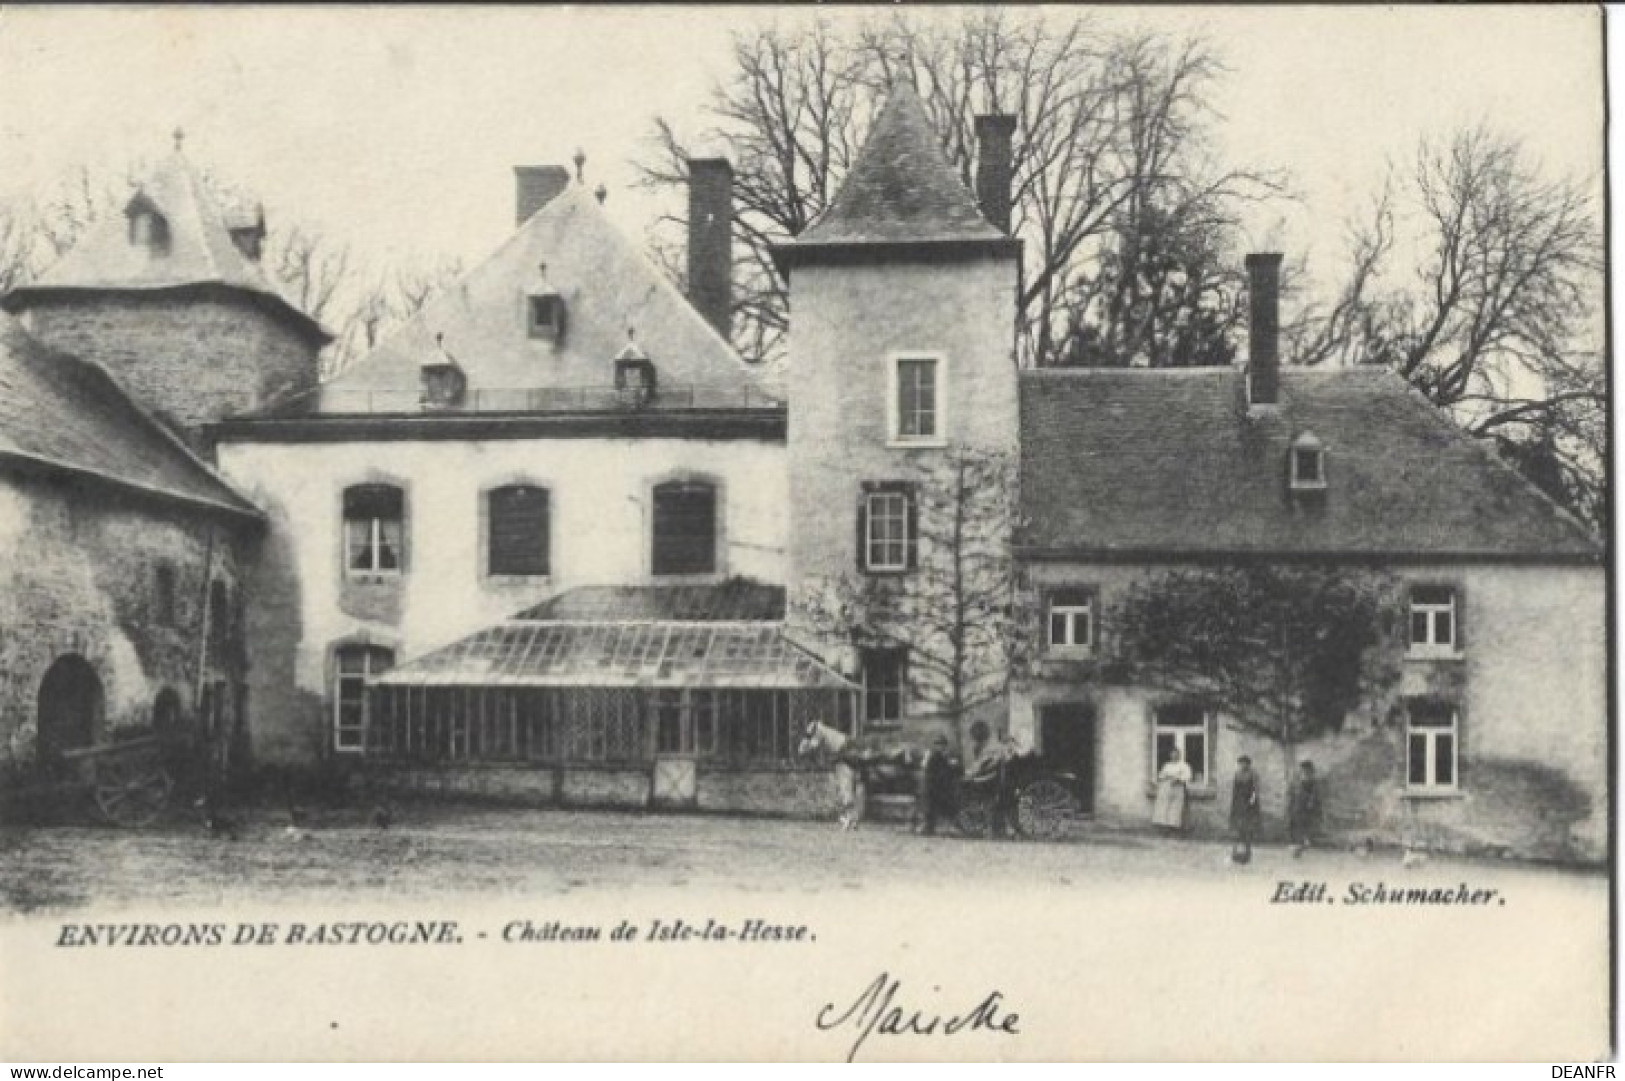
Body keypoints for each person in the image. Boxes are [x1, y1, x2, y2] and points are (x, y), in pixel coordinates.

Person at [918, 736, 958, 836]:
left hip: (935, 784)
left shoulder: (938, 755)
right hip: (932, 785)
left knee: (932, 807)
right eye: (940, 745)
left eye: (943, 745)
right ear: (937, 746)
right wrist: (950, 766)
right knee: (931, 807)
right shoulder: (935, 756)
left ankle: (930, 827)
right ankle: (928, 827)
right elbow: (935, 770)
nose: (942, 747)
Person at [1229, 755, 1262, 863]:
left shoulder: (1253, 774)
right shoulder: (1237, 774)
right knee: (1237, 828)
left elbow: (1255, 790)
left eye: (1245, 763)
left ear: (1248, 764)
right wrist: (1234, 804)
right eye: (1241, 763)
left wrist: (1252, 802)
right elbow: (1235, 790)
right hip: (1239, 803)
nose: (1243, 765)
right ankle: (1235, 852)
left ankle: (1247, 851)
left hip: (1249, 804)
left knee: (1248, 828)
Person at [1152, 746, 1192, 833]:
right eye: (1172, 754)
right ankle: (1164, 827)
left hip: (1178, 787)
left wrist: (1178, 779)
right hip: (1166, 787)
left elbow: (1187, 776)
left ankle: (1173, 827)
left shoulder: (1184, 765)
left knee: (1176, 807)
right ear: (1170, 755)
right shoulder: (1167, 765)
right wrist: (1165, 777)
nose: (1174, 756)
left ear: (1179, 755)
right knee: (1164, 806)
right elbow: (1161, 775)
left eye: (1176, 754)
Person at [1288, 760, 1322, 855]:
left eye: (1306, 768)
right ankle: (1299, 842)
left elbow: (1314, 793)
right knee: (1297, 822)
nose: (1304, 770)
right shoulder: (1299, 778)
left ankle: (1306, 841)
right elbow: (1294, 790)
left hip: (1307, 804)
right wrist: (1292, 800)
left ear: (1310, 769)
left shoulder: (1313, 780)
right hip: (1298, 803)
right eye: (1303, 769)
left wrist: (1311, 802)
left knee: (1307, 822)